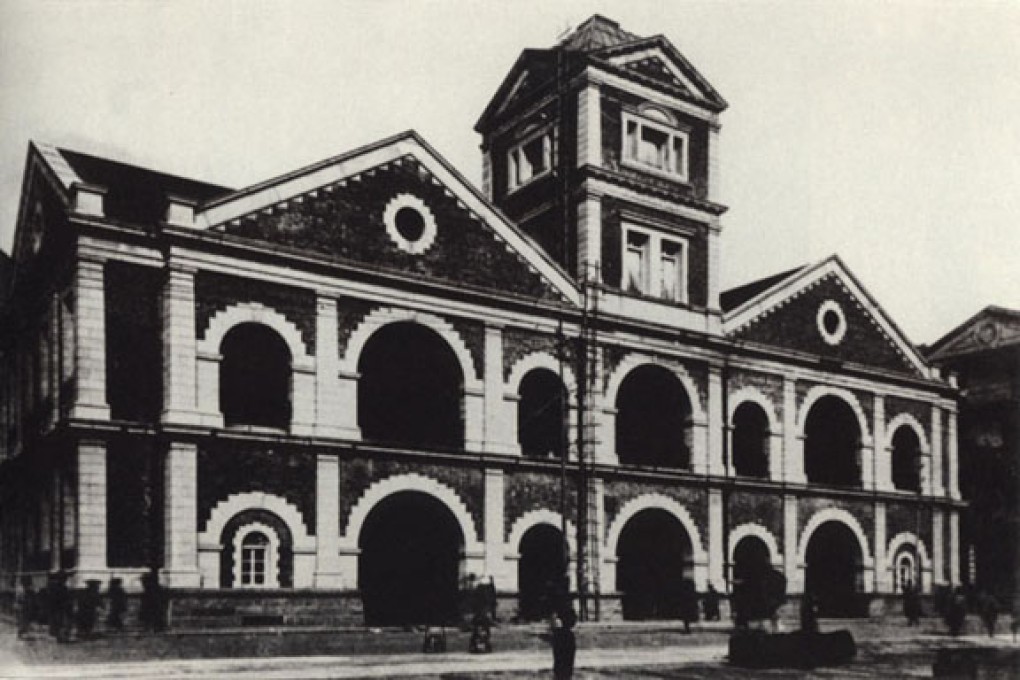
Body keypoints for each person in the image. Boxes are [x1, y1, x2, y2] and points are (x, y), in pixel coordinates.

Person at [550, 605, 577, 680]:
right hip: (565, 672)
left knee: (562, 668)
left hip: (561, 672)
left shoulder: (560, 635)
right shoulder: (569, 635)